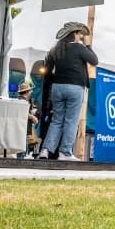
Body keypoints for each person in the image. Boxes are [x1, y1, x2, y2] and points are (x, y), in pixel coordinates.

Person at [38, 22, 98, 162]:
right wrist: (87, 45)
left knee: (56, 120)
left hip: (57, 87)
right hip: (75, 87)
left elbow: (48, 70)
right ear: (75, 34)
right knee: (71, 120)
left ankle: (46, 150)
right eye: (80, 34)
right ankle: (64, 152)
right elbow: (95, 60)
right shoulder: (79, 48)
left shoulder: (56, 49)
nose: (82, 36)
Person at [17, 81, 40, 156]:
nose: (31, 92)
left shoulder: (20, 100)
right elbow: (23, 113)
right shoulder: (22, 101)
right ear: (26, 92)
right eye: (30, 91)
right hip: (23, 128)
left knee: (22, 149)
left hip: (22, 129)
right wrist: (32, 117)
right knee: (21, 150)